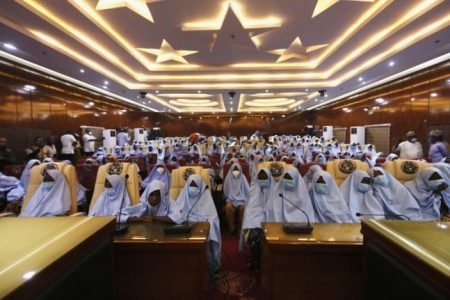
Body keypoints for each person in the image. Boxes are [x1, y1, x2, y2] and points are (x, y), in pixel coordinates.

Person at [168, 174, 221, 279]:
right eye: (191, 185)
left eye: (195, 186)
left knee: (206, 249)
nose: (193, 188)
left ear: (201, 187)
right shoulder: (183, 197)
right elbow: (177, 214)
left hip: (202, 231)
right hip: (185, 229)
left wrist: (203, 225)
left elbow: (213, 219)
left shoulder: (205, 197)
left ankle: (210, 275)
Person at [240, 168, 272, 271]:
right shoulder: (254, 191)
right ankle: (256, 259)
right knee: (254, 236)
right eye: (260, 177)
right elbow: (250, 210)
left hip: (270, 222)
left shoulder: (274, 191)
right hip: (254, 222)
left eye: (265, 178)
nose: (262, 179)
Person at [223, 163, 249, 234]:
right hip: (230, 198)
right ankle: (232, 228)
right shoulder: (228, 178)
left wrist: (246, 199)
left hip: (242, 198)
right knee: (228, 207)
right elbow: (226, 190)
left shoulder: (243, 178)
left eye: (237, 170)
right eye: (234, 170)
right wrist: (227, 198)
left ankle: (240, 228)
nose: (235, 171)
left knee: (243, 208)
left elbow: (247, 190)